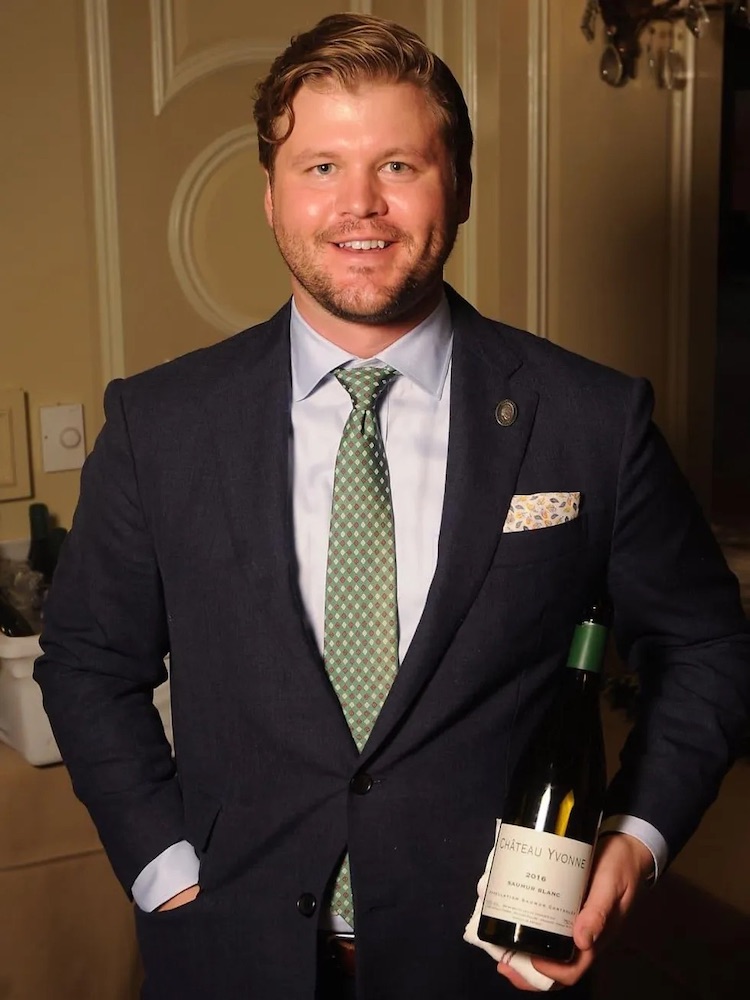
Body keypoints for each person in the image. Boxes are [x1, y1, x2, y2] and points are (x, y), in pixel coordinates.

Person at [35, 12, 749, 1000]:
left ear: (456, 184)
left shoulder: (592, 419)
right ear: (271, 194)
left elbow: (708, 647)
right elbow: (88, 661)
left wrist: (635, 839)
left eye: (399, 165)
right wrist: (164, 869)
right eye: (320, 166)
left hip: (490, 967)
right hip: (228, 958)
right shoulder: (161, 423)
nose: (359, 205)